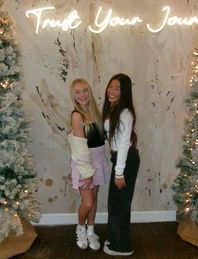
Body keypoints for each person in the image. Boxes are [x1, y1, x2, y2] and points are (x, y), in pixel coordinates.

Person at [68, 78, 109, 252]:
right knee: (88, 203)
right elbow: (79, 147)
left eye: (85, 90)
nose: (82, 95)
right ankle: (80, 228)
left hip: (98, 161)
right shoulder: (77, 115)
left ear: (89, 92)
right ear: (73, 96)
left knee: (94, 199)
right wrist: (87, 173)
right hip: (85, 164)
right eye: (77, 92)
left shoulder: (96, 113)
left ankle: (91, 230)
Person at [102, 73, 140, 256]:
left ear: (124, 91)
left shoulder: (125, 112)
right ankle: (117, 238)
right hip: (120, 160)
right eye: (110, 86)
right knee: (115, 203)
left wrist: (119, 173)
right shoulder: (112, 108)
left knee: (119, 205)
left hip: (126, 161)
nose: (112, 90)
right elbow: (110, 136)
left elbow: (124, 144)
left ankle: (122, 247)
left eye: (117, 88)